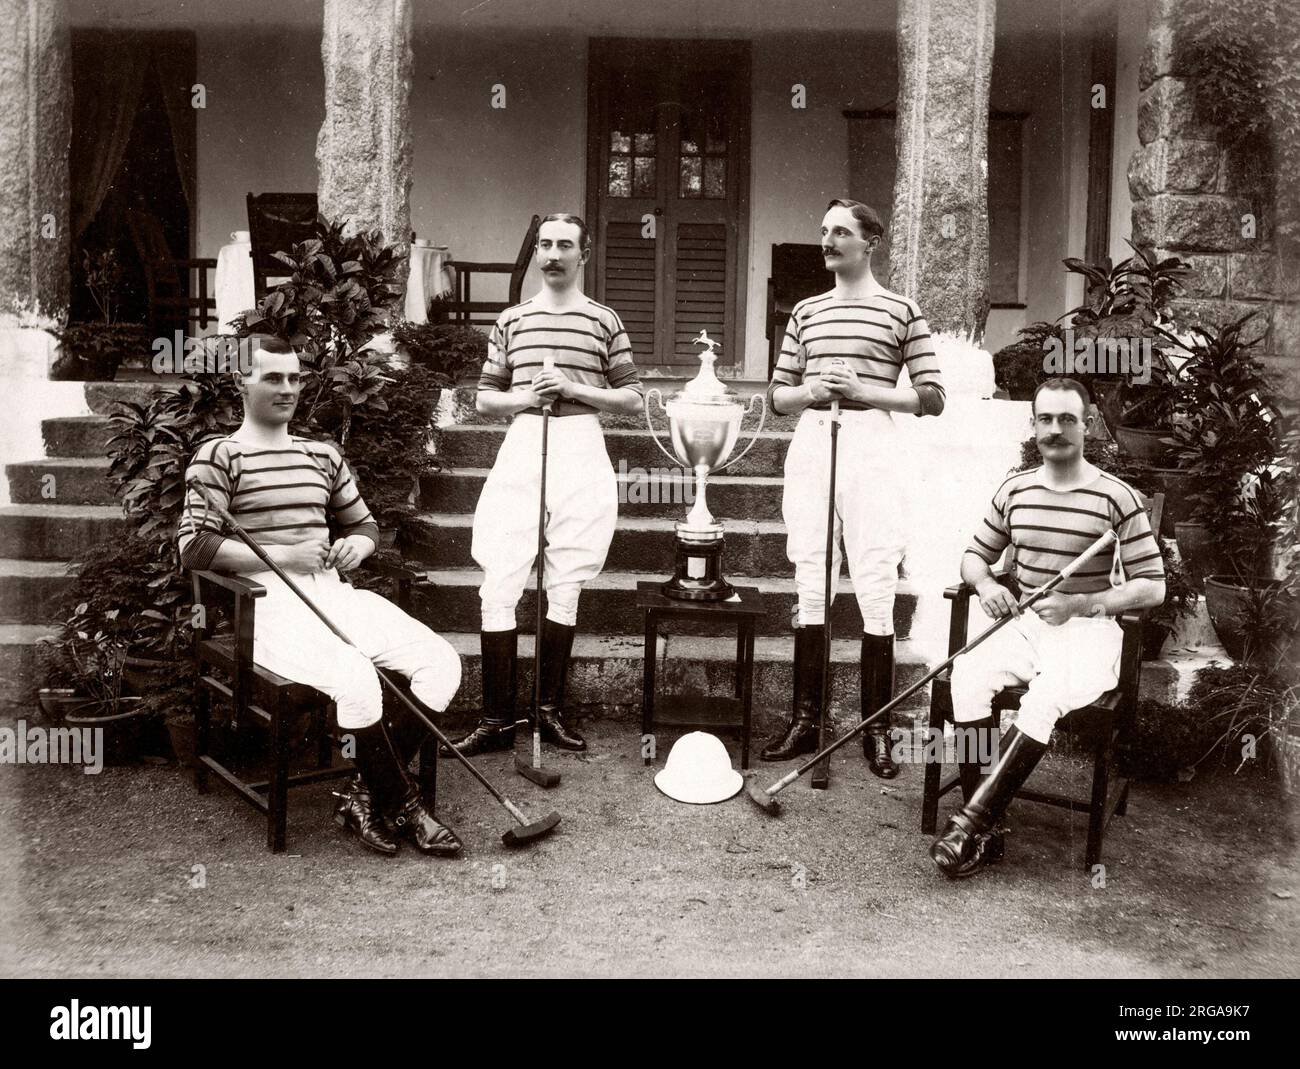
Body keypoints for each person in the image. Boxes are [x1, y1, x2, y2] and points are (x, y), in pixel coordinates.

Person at [177, 337, 464, 858]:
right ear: (241, 382)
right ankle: (405, 805)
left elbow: (364, 525)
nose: (288, 388)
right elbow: (194, 548)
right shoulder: (218, 455)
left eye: (294, 378)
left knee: (441, 663)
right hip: (263, 607)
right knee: (355, 675)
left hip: (331, 594)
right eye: (272, 378)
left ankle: (365, 795)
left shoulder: (321, 453)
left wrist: (358, 542)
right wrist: (286, 555)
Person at [930, 377, 1166, 878]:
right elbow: (974, 555)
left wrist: (1082, 603)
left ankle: (969, 826)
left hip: (1089, 634)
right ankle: (984, 822)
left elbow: (1152, 587)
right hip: (1027, 626)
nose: (1055, 430)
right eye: (1045, 419)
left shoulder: (1117, 498)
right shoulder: (1015, 489)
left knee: (1045, 698)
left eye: (1066, 419)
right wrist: (988, 586)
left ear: (1087, 425)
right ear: (1033, 424)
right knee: (968, 677)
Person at [445, 213, 644, 758]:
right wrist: (528, 398)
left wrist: (577, 388)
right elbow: (486, 397)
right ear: (535, 253)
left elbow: (632, 397)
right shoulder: (512, 319)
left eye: (565, 245)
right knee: (501, 576)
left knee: (567, 579)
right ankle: (495, 719)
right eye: (544, 245)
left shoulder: (604, 320)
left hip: (581, 443)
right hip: (524, 442)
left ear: (584, 255)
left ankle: (549, 712)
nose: (553, 254)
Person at [761, 198, 945, 778]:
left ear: (870, 243)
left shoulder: (901, 310)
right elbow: (777, 396)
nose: (828, 240)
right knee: (811, 575)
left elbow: (933, 397)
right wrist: (816, 390)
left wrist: (865, 390)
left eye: (841, 232)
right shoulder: (807, 311)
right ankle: (805, 721)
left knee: (873, 580)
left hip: (872, 443)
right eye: (823, 231)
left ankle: (877, 729)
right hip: (815, 438)